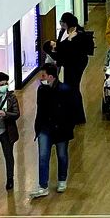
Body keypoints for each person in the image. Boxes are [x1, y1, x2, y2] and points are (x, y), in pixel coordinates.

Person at [32, 58, 76, 197]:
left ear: (51, 76)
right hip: (45, 128)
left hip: (61, 129)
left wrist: (69, 127)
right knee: (43, 156)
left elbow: (72, 111)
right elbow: (40, 109)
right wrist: (38, 128)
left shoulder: (65, 90)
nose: (41, 78)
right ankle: (43, 185)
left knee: (62, 155)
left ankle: (62, 180)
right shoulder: (41, 90)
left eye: (43, 76)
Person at [54, 13, 95, 129]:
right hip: (67, 64)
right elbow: (60, 47)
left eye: (62, 21)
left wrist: (68, 41)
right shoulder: (63, 31)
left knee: (73, 88)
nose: (61, 23)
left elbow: (71, 50)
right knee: (70, 88)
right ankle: (73, 114)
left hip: (76, 65)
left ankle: (78, 116)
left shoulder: (79, 34)